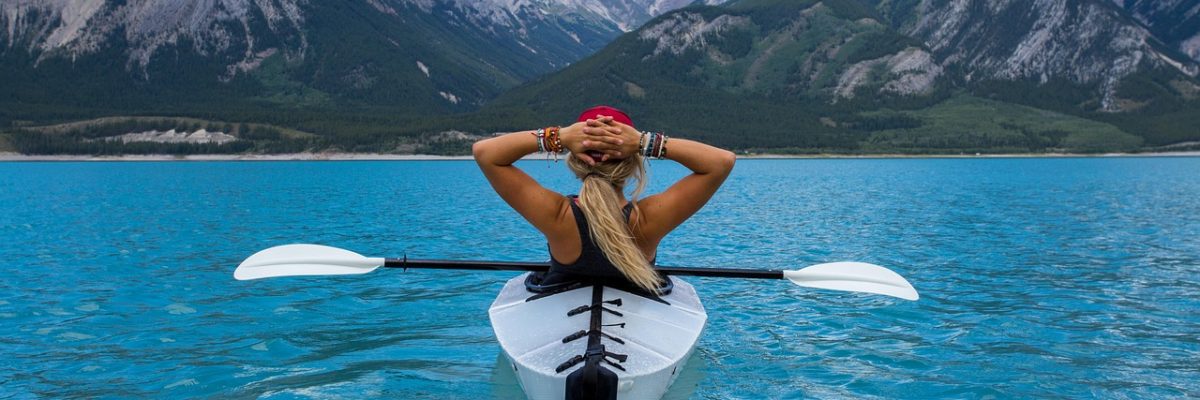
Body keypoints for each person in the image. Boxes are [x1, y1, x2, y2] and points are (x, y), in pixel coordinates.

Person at [472, 106, 735, 293]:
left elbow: (485, 153)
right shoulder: (648, 219)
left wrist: (558, 136)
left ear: (575, 159)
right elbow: (721, 162)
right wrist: (645, 141)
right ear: (633, 161)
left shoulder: (556, 215)